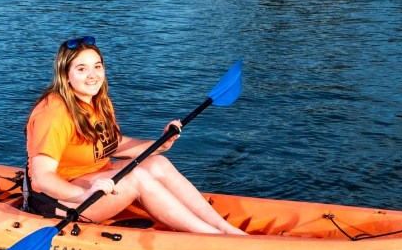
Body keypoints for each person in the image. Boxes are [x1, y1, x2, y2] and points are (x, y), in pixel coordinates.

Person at [23, 36, 246, 235]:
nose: (92, 75)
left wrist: (159, 144)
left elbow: (111, 144)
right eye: (81, 69)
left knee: (158, 163)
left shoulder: (97, 101)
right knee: (137, 177)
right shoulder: (53, 113)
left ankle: (225, 228)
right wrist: (84, 194)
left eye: (97, 67)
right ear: (66, 75)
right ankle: (212, 237)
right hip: (61, 199)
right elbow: (43, 178)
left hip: (94, 180)